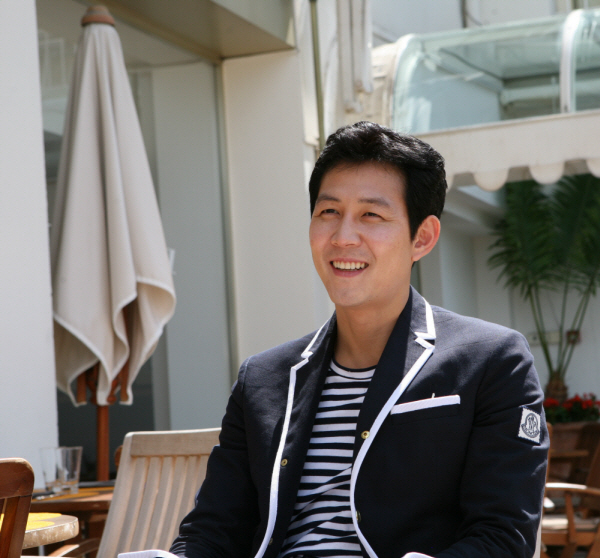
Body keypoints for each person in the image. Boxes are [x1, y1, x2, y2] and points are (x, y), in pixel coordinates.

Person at [170, 122, 548, 558]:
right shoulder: (263, 378)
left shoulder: (491, 361)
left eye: (371, 215)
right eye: (328, 212)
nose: (342, 237)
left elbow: (502, 538)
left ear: (422, 238)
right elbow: (211, 531)